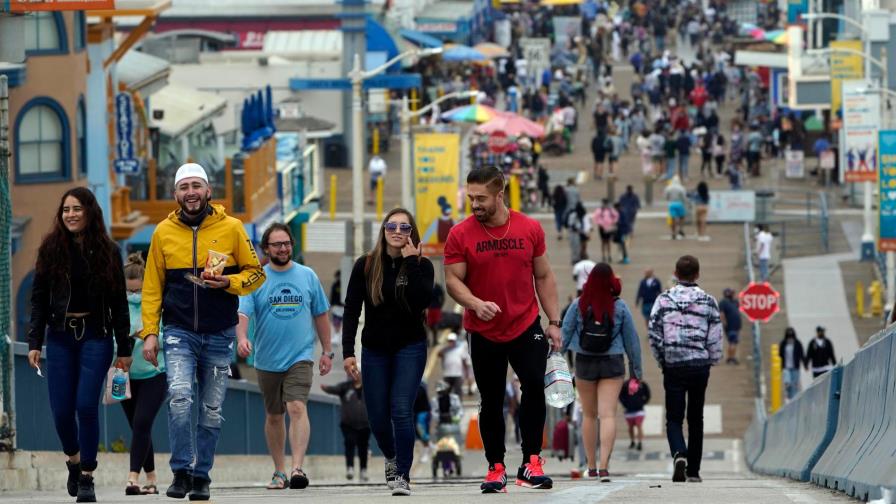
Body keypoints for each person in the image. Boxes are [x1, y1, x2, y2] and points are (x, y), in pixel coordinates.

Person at [140, 163, 266, 500]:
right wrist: (150, 332)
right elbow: (152, 287)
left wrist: (229, 282)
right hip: (179, 331)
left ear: (209, 191)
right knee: (180, 398)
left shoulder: (233, 228)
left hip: (220, 333)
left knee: (211, 408)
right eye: (184, 187)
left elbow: (257, 274)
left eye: (197, 185)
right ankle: (181, 471)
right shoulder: (162, 232)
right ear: (176, 194)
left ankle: (202, 475)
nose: (190, 192)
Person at [444, 166, 563, 493]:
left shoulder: (529, 227)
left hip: (525, 323)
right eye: (471, 197)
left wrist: (553, 321)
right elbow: (453, 280)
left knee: (534, 387)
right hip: (483, 329)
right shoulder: (460, 234)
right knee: (491, 399)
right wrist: (475, 303)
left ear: (500, 194)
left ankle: (531, 462)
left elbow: (543, 276)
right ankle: (496, 467)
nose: (475, 204)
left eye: (481, 198)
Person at [27, 187, 133, 503]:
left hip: (95, 336)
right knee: (61, 411)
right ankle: (73, 460)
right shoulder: (50, 249)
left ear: (89, 211)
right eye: (65, 210)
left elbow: (119, 303)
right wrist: (35, 340)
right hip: (59, 337)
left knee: (86, 405)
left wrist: (124, 349)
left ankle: (87, 475)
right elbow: (38, 300)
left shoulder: (109, 251)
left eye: (77, 208)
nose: (70, 214)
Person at [342, 208, 435, 496]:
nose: (397, 231)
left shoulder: (423, 265)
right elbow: (351, 309)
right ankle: (392, 456)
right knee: (377, 417)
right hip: (375, 349)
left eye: (404, 227)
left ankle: (402, 475)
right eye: (391, 226)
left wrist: (411, 264)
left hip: (410, 346)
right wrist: (348, 352)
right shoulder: (366, 265)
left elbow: (421, 302)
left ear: (412, 233)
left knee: (401, 410)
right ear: (383, 231)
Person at [236, 223, 333, 490]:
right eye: (277, 244)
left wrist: (327, 350)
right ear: (266, 249)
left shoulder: (307, 275)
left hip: (300, 356)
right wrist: (243, 338)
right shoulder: (257, 278)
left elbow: (321, 314)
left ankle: (297, 468)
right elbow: (243, 313)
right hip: (267, 359)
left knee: (296, 407)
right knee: (274, 415)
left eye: (287, 243)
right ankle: (279, 471)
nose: (283, 248)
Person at [560, 263, 643, 482]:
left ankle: (591, 466)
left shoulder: (578, 304)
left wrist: (555, 363)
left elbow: (564, 334)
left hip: (585, 362)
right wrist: (636, 371)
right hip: (612, 362)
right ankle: (605, 466)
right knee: (607, 414)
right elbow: (632, 341)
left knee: (588, 415)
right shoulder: (620, 307)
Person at [648, 255, 722, 483]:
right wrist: (712, 359)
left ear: (676, 274)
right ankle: (694, 472)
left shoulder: (663, 300)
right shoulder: (709, 302)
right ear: (697, 274)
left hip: (674, 365)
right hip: (699, 365)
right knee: (696, 418)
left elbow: (653, 333)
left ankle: (679, 453)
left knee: (673, 418)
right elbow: (715, 337)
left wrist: (663, 359)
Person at [121, 253, 167, 496]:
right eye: (129, 292)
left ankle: (132, 477)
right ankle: (151, 479)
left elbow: (169, 336)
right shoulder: (116, 306)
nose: (134, 296)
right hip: (124, 374)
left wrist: (148, 335)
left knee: (142, 422)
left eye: (138, 291)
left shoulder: (158, 304)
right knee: (139, 428)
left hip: (155, 373)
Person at [321, 376, 371, 482]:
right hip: (348, 424)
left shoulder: (369, 386)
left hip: (365, 424)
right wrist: (326, 388)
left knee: (363, 447)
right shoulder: (345, 387)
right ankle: (350, 468)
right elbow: (335, 389)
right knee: (349, 443)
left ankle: (363, 470)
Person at [619, 378, 651, 451]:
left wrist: (643, 402)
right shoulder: (626, 384)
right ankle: (632, 441)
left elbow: (648, 394)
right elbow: (621, 395)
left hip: (639, 410)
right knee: (630, 427)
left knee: (639, 425)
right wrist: (625, 404)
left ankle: (639, 442)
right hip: (629, 410)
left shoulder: (642, 384)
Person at [438, 332, 472, 397]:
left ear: (455, 341)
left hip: (457, 375)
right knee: (445, 393)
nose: (451, 342)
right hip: (447, 375)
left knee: (458, 392)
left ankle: (458, 406)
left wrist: (466, 372)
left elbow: (464, 360)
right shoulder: (445, 349)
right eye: (449, 341)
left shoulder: (460, 349)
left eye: (452, 341)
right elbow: (439, 354)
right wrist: (444, 347)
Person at [779, 328, 806, 401]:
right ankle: (789, 394)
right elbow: (780, 354)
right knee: (788, 382)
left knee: (794, 385)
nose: (790, 337)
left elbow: (801, 354)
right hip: (786, 367)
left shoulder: (797, 343)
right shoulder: (783, 343)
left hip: (795, 367)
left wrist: (805, 364)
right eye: (788, 336)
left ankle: (793, 399)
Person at [592, 199, 619, 263]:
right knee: (603, 242)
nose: (605, 205)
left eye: (606, 203)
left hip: (609, 227)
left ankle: (609, 255)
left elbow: (616, 215)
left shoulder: (611, 210)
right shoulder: (599, 210)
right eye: (604, 203)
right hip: (602, 228)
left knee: (608, 242)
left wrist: (613, 222)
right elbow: (595, 217)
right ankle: (603, 256)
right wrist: (600, 224)